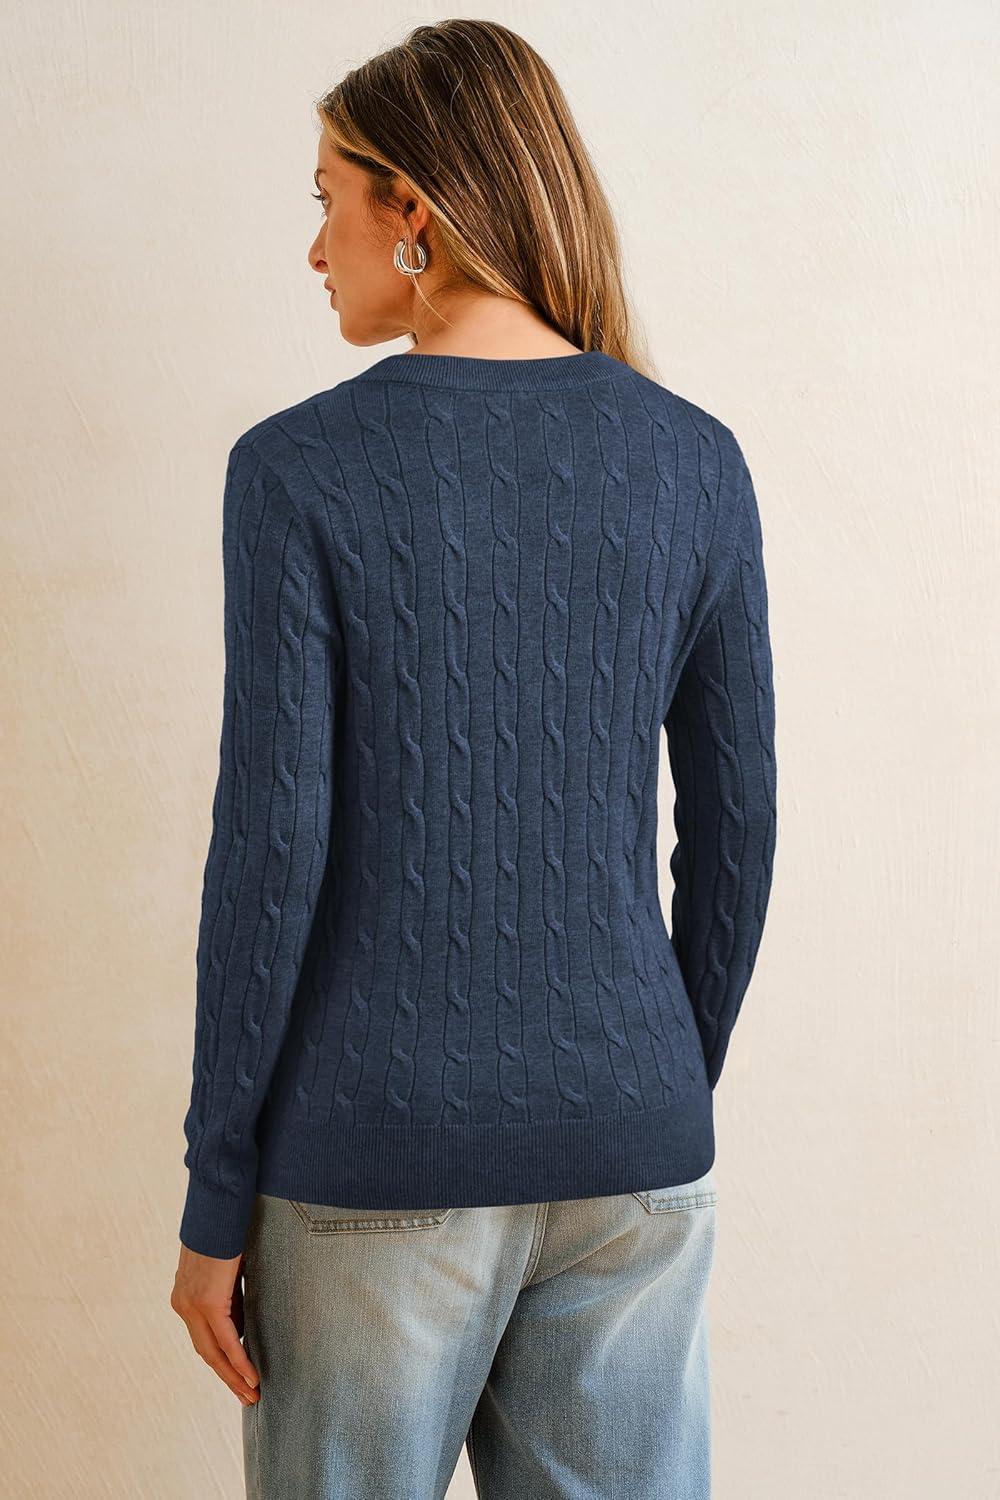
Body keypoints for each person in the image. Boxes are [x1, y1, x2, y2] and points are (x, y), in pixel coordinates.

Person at [170, 18, 777, 1499]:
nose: (315, 246)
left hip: (373, 1152)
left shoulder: (298, 471)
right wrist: (647, 1081)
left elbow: (272, 853)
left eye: (328, 198)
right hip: (634, 1152)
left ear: (416, 213)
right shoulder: (695, 459)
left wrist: (214, 1196)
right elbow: (742, 829)